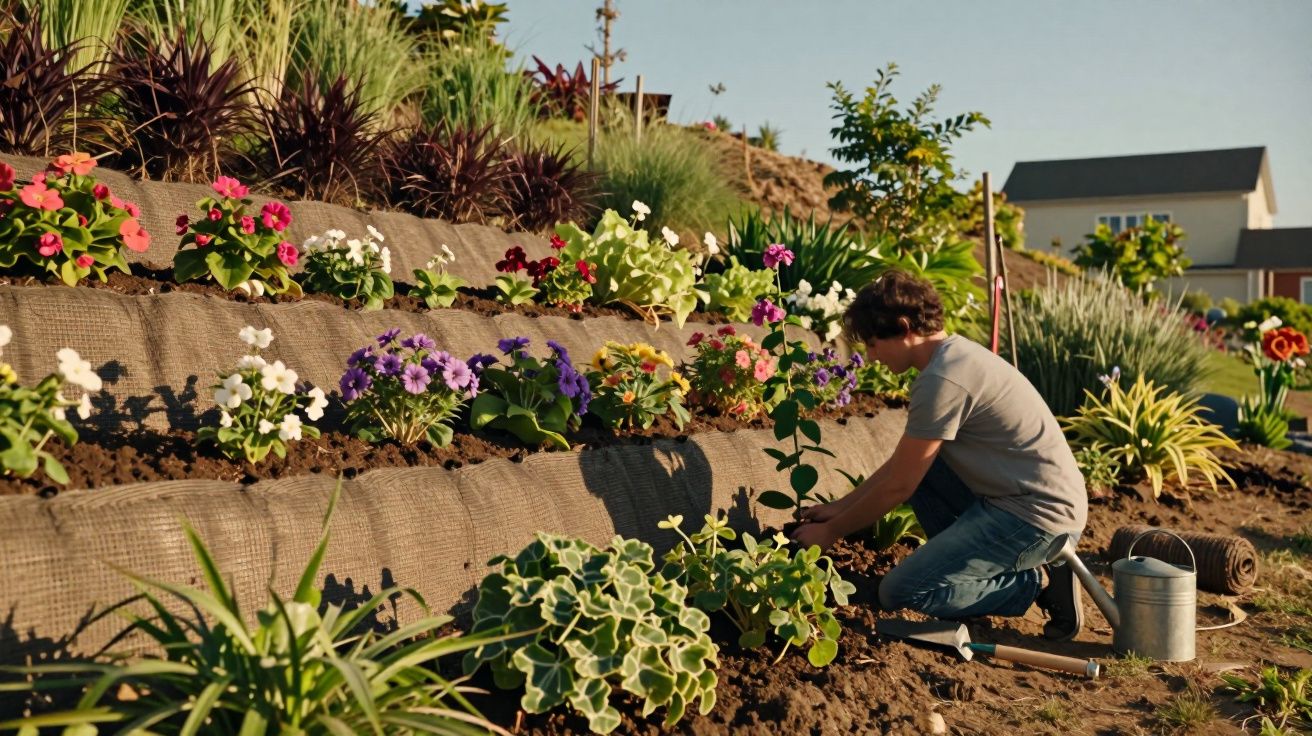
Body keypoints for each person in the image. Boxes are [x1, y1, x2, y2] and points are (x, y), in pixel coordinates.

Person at [789, 270, 1088, 640]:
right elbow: (905, 467)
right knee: (924, 469)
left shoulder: (943, 380)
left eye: (873, 343)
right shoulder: (956, 357)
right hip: (1026, 499)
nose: (871, 355)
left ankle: (1028, 585)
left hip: (1037, 517)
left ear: (903, 328)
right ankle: (1004, 565)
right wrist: (841, 506)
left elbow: (898, 487)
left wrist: (832, 531)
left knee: (899, 592)